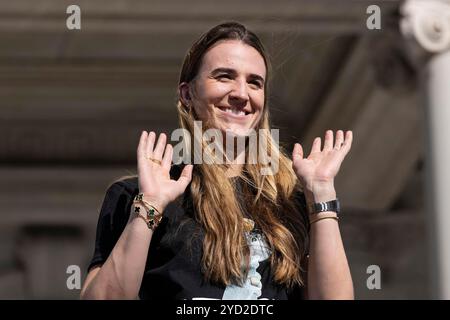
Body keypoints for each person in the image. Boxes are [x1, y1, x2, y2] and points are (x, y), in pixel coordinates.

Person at [80, 22, 354, 300]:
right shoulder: (136, 196)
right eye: (224, 76)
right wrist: (149, 206)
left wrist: (321, 194)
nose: (241, 93)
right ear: (187, 94)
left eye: (254, 83)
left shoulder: (293, 201)